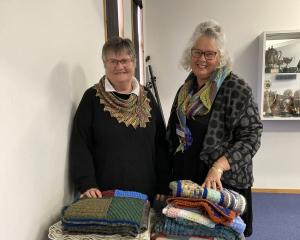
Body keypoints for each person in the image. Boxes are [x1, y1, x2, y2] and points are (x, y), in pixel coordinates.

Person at [166, 20, 263, 237]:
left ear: (220, 57)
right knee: (190, 232)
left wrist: (218, 166)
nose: (202, 59)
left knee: (222, 233)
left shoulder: (236, 89)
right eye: (197, 52)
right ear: (189, 55)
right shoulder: (186, 89)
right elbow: (172, 132)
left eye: (210, 54)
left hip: (221, 182)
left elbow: (252, 137)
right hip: (188, 178)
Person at [69, 37, 170, 202]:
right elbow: (80, 144)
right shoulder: (92, 99)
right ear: (104, 64)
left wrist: (163, 184)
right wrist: (87, 183)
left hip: (147, 195)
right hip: (105, 195)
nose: (119, 66)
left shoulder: (148, 98)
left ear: (134, 63)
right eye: (113, 61)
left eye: (125, 60)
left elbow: (161, 145)